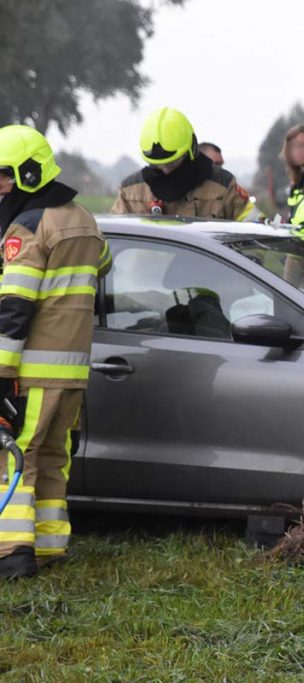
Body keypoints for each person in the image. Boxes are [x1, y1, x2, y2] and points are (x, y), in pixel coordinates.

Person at [0, 125, 111, 579]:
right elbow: (103, 265)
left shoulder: (27, 226)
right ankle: (49, 546)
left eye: (4, 176)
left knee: (14, 458)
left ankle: (12, 556)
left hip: (30, 369)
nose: (0, 186)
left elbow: (14, 308)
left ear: (29, 173)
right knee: (52, 458)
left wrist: (2, 372)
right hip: (72, 372)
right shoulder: (84, 218)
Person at [111, 107, 259, 220]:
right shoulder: (130, 192)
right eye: (158, 165)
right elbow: (112, 240)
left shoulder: (223, 185)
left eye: (172, 163)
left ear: (192, 150)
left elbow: (255, 230)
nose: (166, 171)